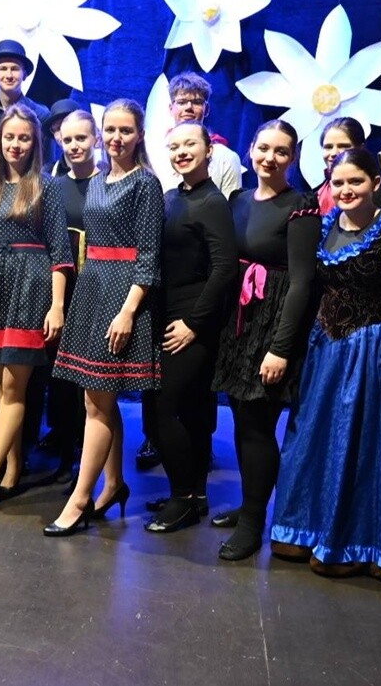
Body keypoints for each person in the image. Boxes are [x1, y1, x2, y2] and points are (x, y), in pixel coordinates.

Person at [269, 148, 381, 586]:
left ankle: (365, 545)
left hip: (377, 346)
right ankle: (304, 530)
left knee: (369, 441)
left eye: (356, 182)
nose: (346, 190)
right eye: (339, 183)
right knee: (314, 435)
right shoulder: (327, 225)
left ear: (376, 184)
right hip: (328, 348)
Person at [44, 99, 162, 536]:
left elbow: (148, 257)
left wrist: (128, 311)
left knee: (98, 404)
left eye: (125, 130)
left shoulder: (145, 184)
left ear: (140, 134)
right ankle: (113, 484)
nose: (116, 138)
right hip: (92, 288)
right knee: (97, 401)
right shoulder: (97, 180)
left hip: (121, 295)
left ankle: (79, 499)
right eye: (110, 129)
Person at [211, 119, 321, 561]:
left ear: (293, 158)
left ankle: (254, 522)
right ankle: (249, 504)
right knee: (241, 421)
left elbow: (302, 283)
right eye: (263, 148)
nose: (269, 158)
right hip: (239, 321)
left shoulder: (301, 206)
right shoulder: (238, 199)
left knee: (258, 425)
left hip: (272, 325)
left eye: (280, 151)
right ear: (250, 150)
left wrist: (280, 348)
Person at [0, 105, 72, 518]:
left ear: (35, 142)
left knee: (12, 389)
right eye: (10, 137)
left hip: (31, 289)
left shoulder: (46, 187)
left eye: (24, 138)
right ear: (0, 140)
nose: (16, 144)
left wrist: (57, 306)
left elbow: (61, 253)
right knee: (1, 385)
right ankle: (14, 464)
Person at [138, 71, 243, 471]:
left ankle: (195, 466)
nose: (188, 107)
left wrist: (198, 319)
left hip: (197, 292)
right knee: (159, 387)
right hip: (167, 288)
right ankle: (162, 447)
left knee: (194, 390)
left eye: (195, 102)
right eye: (182, 101)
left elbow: (223, 244)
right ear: (171, 107)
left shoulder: (224, 164)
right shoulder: (159, 157)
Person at [144, 122, 238, 533]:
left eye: (190, 145)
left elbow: (224, 269)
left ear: (208, 151)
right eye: (174, 146)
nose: (181, 152)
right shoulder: (172, 197)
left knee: (164, 408)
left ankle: (181, 498)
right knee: (193, 410)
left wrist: (194, 324)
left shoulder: (212, 202)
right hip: (170, 315)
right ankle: (194, 495)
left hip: (191, 320)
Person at [43, 109, 99, 481]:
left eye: (82, 138)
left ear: (96, 139)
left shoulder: (108, 182)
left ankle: (86, 455)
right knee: (59, 373)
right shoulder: (54, 186)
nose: (74, 145)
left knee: (88, 377)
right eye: (68, 139)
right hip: (61, 286)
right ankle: (64, 450)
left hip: (96, 286)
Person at [0, 39, 51, 124]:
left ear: (24, 75)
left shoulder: (40, 115)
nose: (9, 75)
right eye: (3, 69)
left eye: (15, 69)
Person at [315, 117, 367, 214]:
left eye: (343, 146)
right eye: (328, 147)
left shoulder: (377, 196)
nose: (334, 153)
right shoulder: (315, 196)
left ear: (361, 148)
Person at [44, 98, 82, 177]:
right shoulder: (48, 173)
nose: (63, 133)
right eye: (57, 128)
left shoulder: (103, 169)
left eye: (67, 125)